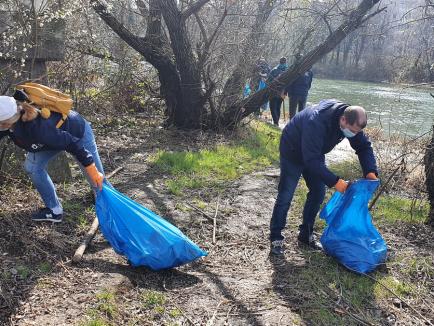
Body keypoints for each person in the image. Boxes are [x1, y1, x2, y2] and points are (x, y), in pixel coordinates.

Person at [269, 99, 378, 255]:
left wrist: (370, 172)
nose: (354, 135)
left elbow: (363, 146)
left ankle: (305, 234)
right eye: (352, 131)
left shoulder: (350, 121)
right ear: (343, 120)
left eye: (356, 132)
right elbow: (311, 160)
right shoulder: (317, 121)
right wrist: (336, 182)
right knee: (286, 194)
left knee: (318, 192)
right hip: (292, 149)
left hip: (314, 151)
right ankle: (276, 237)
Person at [0, 93, 105, 223]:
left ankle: (110, 212)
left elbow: (71, 143)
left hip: (76, 132)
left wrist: (91, 166)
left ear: (6, 122)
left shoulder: (37, 127)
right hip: (50, 140)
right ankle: (54, 211)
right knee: (32, 167)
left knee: (98, 182)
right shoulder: (10, 119)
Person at [286, 54, 313, 119]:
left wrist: (287, 92)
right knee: (302, 112)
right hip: (304, 94)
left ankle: (292, 125)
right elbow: (309, 84)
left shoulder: (293, 68)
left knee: (292, 112)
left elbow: (289, 82)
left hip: (294, 93)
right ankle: (299, 126)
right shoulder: (309, 71)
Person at [268, 57, 288, 126]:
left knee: (273, 107)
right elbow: (289, 83)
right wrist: (285, 93)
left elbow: (268, 80)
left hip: (274, 92)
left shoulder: (274, 70)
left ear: (280, 62)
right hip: (282, 92)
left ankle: (276, 123)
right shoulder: (288, 70)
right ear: (285, 62)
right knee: (278, 108)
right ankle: (276, 122)